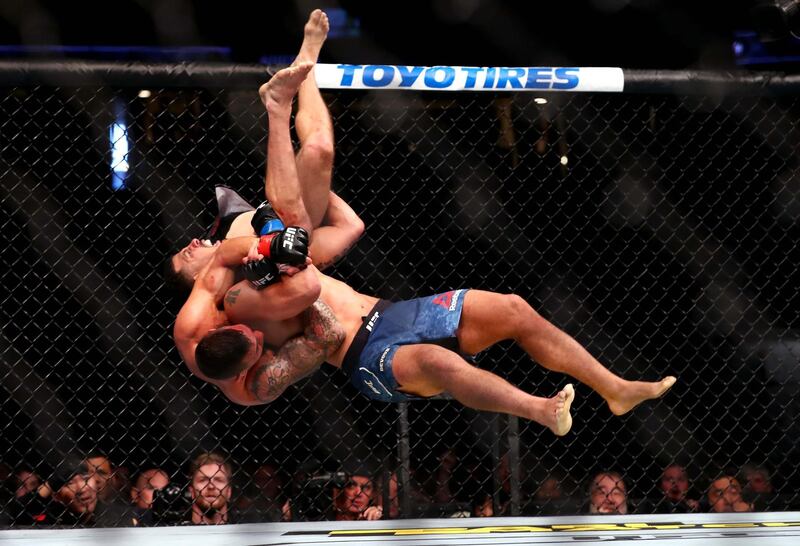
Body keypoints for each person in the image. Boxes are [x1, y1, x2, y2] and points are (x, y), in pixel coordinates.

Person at [163, 8, 364, 300]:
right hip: (297, 231)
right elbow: (352, 226)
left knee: (316, 153)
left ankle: (304, 67)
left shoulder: (229, 236)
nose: (191, 243)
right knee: (319, 150)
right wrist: (313, 186)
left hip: (284, 207)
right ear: (196, 279)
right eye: (186, 255)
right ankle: (299, 75)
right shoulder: (246, 289)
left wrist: (302, 181)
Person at [187, 452, 235, 525]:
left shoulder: (244, 527)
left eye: (218, 480)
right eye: (203, 480)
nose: (211, 486)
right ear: (192, 491)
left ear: (229, 491)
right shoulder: (173, 529)